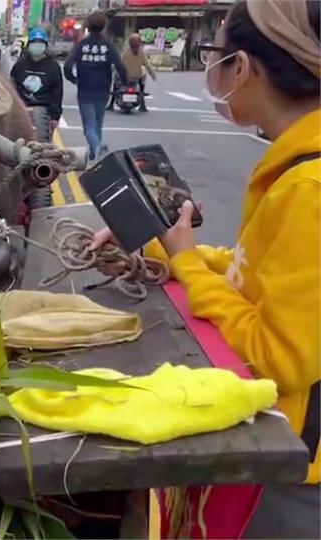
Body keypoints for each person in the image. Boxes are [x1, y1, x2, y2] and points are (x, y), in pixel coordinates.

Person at [92, 1, 319, 536]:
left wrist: (188, 263)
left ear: (242, 67)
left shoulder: (310, 187)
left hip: (289, 467)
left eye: (213, 54)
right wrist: (167, 252)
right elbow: (260, 274)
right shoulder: (293, 164)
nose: (211, 69)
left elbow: (277, 355)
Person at [63, 11, 127, 160]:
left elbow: (67, 66)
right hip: (103, 90)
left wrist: (73, 79)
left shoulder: (82, 45)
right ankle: (95, 150)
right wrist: (124, 83)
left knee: (89, 127)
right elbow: (121, 67)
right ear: (104, 27)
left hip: (85, 91)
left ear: (88, 26)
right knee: (98, 123)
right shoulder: (108, 46)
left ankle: (96, 147)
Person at [10, 28, 64, 137]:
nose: (37, 45)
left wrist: (55, 117)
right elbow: (12, 84)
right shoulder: (21, 64)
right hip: (22, 108)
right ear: (29, 45)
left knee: (41, 141)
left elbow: (57, 92)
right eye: (34, 42)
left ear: (45, 45)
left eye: (40, 43)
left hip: (44, 109)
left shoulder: (53, 66)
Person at [118, 33, 157, 112]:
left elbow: (119, 62)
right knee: (144, 74)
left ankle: (111, 103)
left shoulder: (126, 51)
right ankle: (142, 100)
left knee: (116, 79)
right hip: (137, 76)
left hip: (125, 76)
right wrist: (153, 75)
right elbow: (147, 65)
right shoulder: (141, 52)